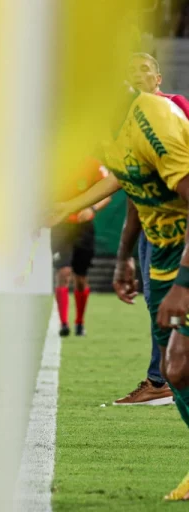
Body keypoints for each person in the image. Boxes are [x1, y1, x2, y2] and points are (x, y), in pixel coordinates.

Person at [50, 86, 189, 501]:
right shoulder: (106, 132)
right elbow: (128, 183)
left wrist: (183, 284)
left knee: (179, 367)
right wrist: (124, 257)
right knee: (175, 371)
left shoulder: (154, 121)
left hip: (182, 260)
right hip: (161, 259)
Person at [111, 53, 189, 406]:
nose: (138, 74)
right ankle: (161, 378)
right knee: (156, 306)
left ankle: (163, 379)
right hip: (149, 225)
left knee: (173, 305)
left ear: (158, 79)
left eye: (145, 69)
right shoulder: (128, 124)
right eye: (132, 69)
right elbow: (132, 188)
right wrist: (123, 254)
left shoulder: (174, 108)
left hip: (179, 226)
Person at [51, 158, 112, 338]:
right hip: (61, 226)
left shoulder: (94, 165)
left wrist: (92, 209)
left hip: (83, 227)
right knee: (63, 272)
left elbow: (108, 192)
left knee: (80, 278)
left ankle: (79, 322)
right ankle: (63, 323)